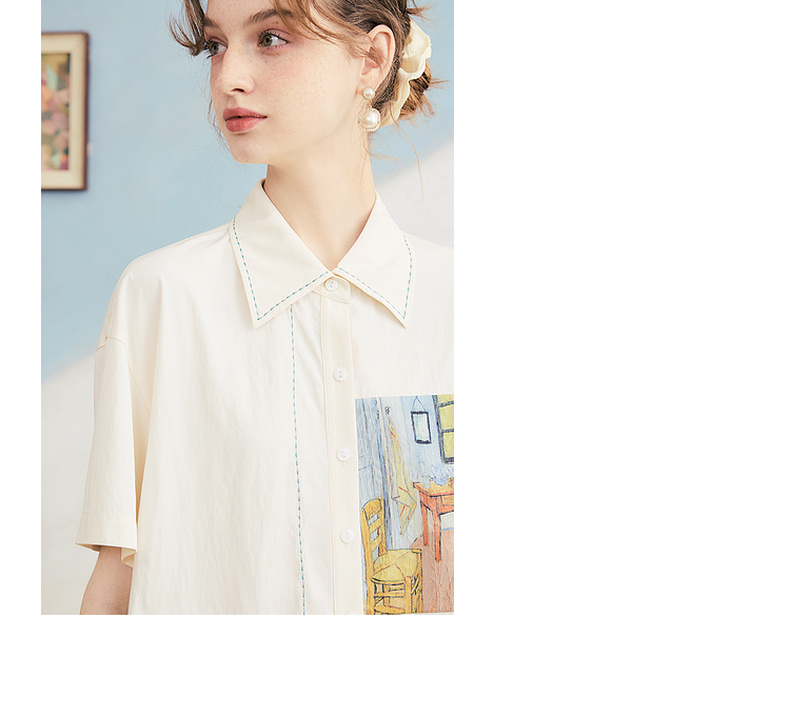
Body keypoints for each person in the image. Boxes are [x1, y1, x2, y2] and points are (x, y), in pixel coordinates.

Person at [76, 0, 453, 615]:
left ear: (373, 58)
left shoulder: (456, 303)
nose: (228, 78)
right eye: (215, 46)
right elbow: (114, 587)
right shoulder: (160, 298)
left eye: (272, 38)